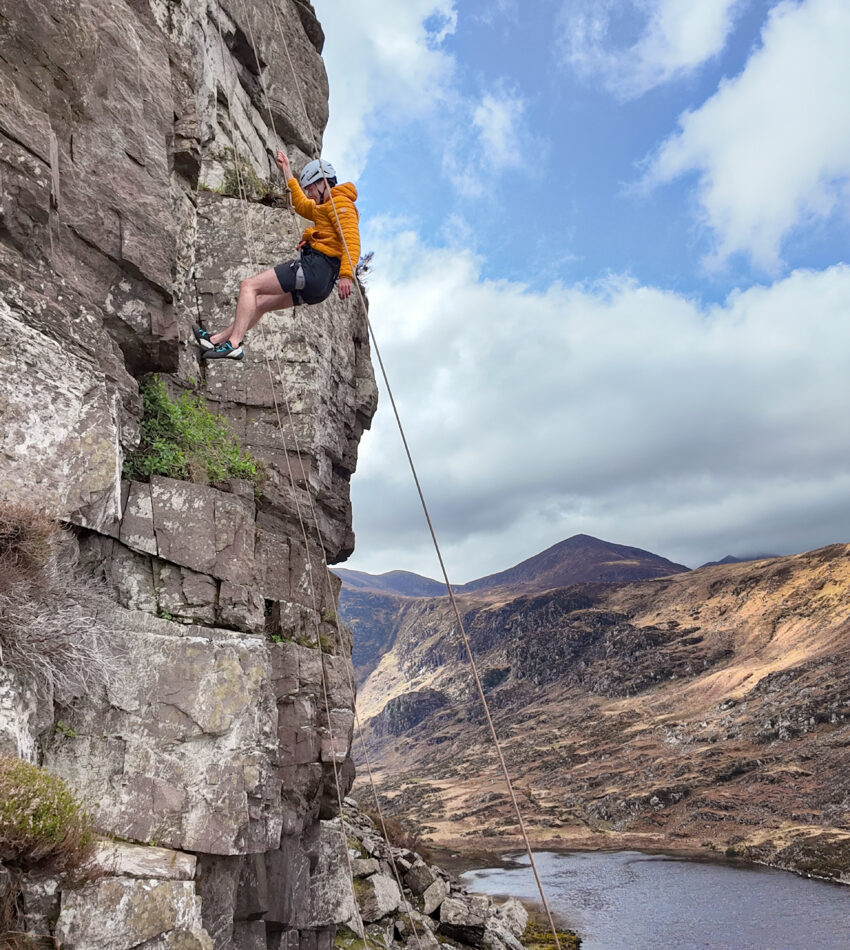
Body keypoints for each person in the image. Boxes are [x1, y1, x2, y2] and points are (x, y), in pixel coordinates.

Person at [196, 150, 360, 361]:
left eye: (310, 187)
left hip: (316, 267)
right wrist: (286, 169)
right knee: (262, 303)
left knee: (249, 286)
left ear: (322, 183)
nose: (308, 193)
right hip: (321, 286)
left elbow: (351, 240)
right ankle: (216, 339)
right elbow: (300, 204)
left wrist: (347, 275)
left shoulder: (340, 203)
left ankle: (233, 344)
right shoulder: (325, 207)